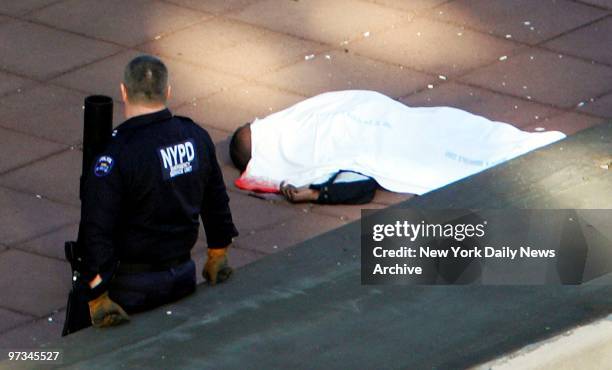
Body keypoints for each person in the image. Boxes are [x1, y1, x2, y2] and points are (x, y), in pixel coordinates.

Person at [80, 55, 238, 328]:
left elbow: (96, 227)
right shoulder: (195, 136)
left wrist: (95, 292)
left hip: (130, 290)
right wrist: (218, 252)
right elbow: (216, 202)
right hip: (182, 279)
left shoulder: (116, 154)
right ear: (167, 92)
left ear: (123, 91)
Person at [229, 90, 565, 204]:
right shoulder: (314, 111)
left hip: (402, 137)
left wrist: (317, 193)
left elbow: (359, 183)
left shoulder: (311, 150)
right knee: (469, 136)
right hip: (413, 125)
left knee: (465, 153)